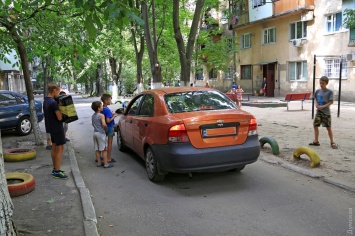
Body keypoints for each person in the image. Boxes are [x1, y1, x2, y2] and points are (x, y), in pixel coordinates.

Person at [43, 83, 68, 179]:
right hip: (57, 128)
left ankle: (55, 168)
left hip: (50, 127)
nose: (58, 93)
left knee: (54, 147)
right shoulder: (53, 103)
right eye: (58, 91)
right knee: (60, 148)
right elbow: (59, 117)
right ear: (54, 90)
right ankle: (57, 171)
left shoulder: (46, 100)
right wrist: (62, 109)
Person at [309, 76, 337, 149]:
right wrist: (316, 104)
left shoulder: (329, 92)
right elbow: (315, 99)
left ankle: (332, 142)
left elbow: (331, 102)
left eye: (323, 83)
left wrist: (323, 106)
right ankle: (316, 141)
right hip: (319, 112)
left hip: (326, 113)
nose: (321, 84)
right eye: (320, 83)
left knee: (328, 127)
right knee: (315, 125)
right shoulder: (318, 91)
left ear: (326, 83)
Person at [91, 101, 113, 168]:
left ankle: (99, 162)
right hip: (101, 133)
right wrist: (106, 129)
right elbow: (104, 124)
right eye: (101, 106)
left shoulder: (93, 115)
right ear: (98, 108)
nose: (102, 107)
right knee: (104, 149)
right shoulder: (101, 115)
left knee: (97, 149)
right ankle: (106, 163)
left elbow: (92, 124)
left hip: (95, 133)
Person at [101, 94, 118, 163]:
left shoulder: (101, 108)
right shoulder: (107, 110)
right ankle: (108, 158)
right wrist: (114, 116)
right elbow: (108, 120)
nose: (110, 101)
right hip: (109, 127)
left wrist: (112, 114)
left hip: (102, 127)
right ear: (105, 101)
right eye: (109, 100)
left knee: (102, 142)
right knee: (110, 143)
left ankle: (102, 156)